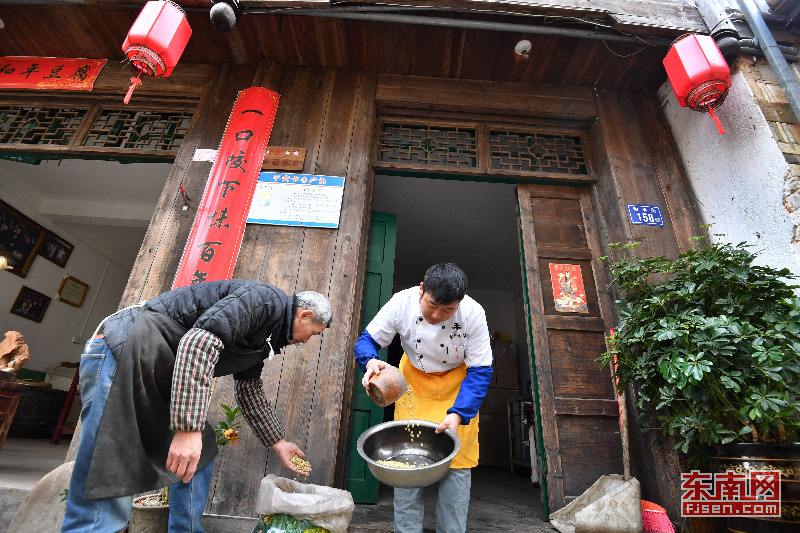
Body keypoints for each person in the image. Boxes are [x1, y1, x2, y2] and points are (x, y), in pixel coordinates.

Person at [62, 279, 333, 533]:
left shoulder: (264, 338)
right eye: (314, 333)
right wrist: (187, 428)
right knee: (112, 457)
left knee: (201, 449)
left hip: (157, 371)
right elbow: (199, 342)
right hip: (123, 352)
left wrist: (279, 442)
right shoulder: (264, 300)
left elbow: (249, 390)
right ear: (305, 315)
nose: (307, 341)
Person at [354, 263, 493, 533]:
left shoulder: (474, 314)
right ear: (421, 290)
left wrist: (459, 413)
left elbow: (480, 372)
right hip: (413, 385)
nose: (437, 315)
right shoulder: (401, 303)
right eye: (431, 305)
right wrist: (370, 361)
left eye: (448, 310)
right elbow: (367, 340)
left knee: (457, 466)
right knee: (407, 463)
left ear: (459, 304)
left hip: (459, 387)